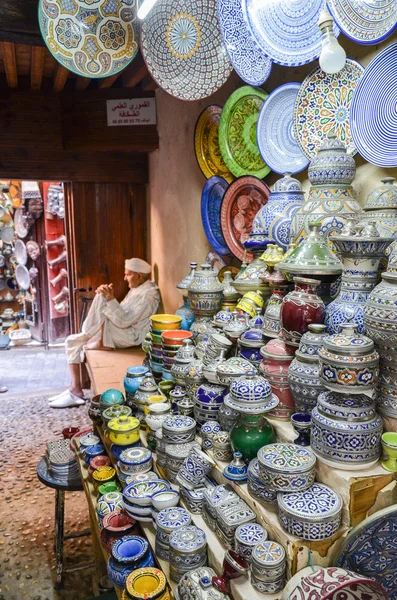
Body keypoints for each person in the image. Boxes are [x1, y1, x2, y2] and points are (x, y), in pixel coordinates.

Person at [49, 258, 160, 408]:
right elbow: (122, 314)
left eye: (128, 275)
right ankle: (74, 388)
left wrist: (111, 298)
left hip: (131, 336)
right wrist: (108, 298)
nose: (124, 278)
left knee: (74, 341)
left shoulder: (148, 295)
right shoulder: (138, 288)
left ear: (139, 275)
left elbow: (125, 321)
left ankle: (75, 388)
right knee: (101, 296)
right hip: (124, 329)